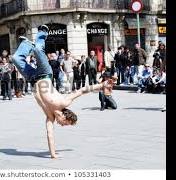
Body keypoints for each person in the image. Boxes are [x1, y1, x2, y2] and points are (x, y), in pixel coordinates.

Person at [12, 25, 112, 158]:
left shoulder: (50, 117)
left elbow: (49, 134)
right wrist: (102, 85)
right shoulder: (64, 102)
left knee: (16, 59)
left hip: (32, 78)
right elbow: (82, 90)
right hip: (44, 73)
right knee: (37, 48)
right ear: (65, 117)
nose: (63, 126)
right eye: (66, 124)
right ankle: (43, 32)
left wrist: (53, 154)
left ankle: (25, 44)